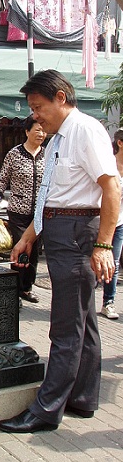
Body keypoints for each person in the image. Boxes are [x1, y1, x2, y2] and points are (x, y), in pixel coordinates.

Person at [0, 69, 120, 433]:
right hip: (61, 228)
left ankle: (46, 410)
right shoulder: (57, 139)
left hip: (78, 234)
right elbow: (52, 199)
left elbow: (111, 188)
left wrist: (103, 244)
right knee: (84, 321)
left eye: (39, 107)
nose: (35, 115)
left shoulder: (85, 131)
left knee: (66, 327)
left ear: (61, 98)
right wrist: (28, 238)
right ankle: (82, 397)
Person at [0, 115, 46, 304]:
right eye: (37, 130)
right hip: (18, 212)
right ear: (27, 131)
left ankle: (26, 288)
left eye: (43, 131)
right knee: (21, 249)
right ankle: (14, 289)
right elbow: (3, 180)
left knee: (34, 252)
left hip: (39, 213)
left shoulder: (48, 154)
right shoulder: (14, 154)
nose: (41, 134)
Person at [100, 128, 123, 319]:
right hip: (100, 222)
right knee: (94, 263)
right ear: (120, 143)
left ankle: (109, 301)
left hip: (120, 223)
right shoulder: (107, 165)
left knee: (113, 263)